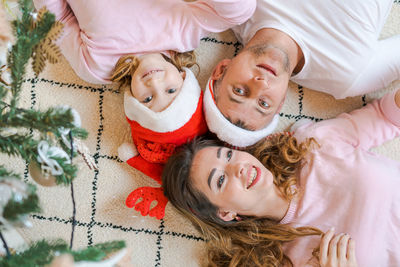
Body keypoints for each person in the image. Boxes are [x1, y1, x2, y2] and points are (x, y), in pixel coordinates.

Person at [32, 0, 257, 219]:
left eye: (148, 99)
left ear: (134, 104)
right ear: (183, 77)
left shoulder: (97, 68)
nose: (155, 83)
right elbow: (239, 11)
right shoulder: (182, 32)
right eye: (171, 91)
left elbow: (57, 20)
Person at [162, 88, 400, 266]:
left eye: (228, 156)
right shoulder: (277, 260)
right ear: (225, 214)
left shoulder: (309, 145)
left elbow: (385, 116)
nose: (237, 168)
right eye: (221, 180)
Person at [203, 0, 400, 147]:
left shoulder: (234, 7)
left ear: (221, 70)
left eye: (239, 90)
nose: (260, 83)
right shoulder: (348, 76)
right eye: (264, 103)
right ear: (281, 103)